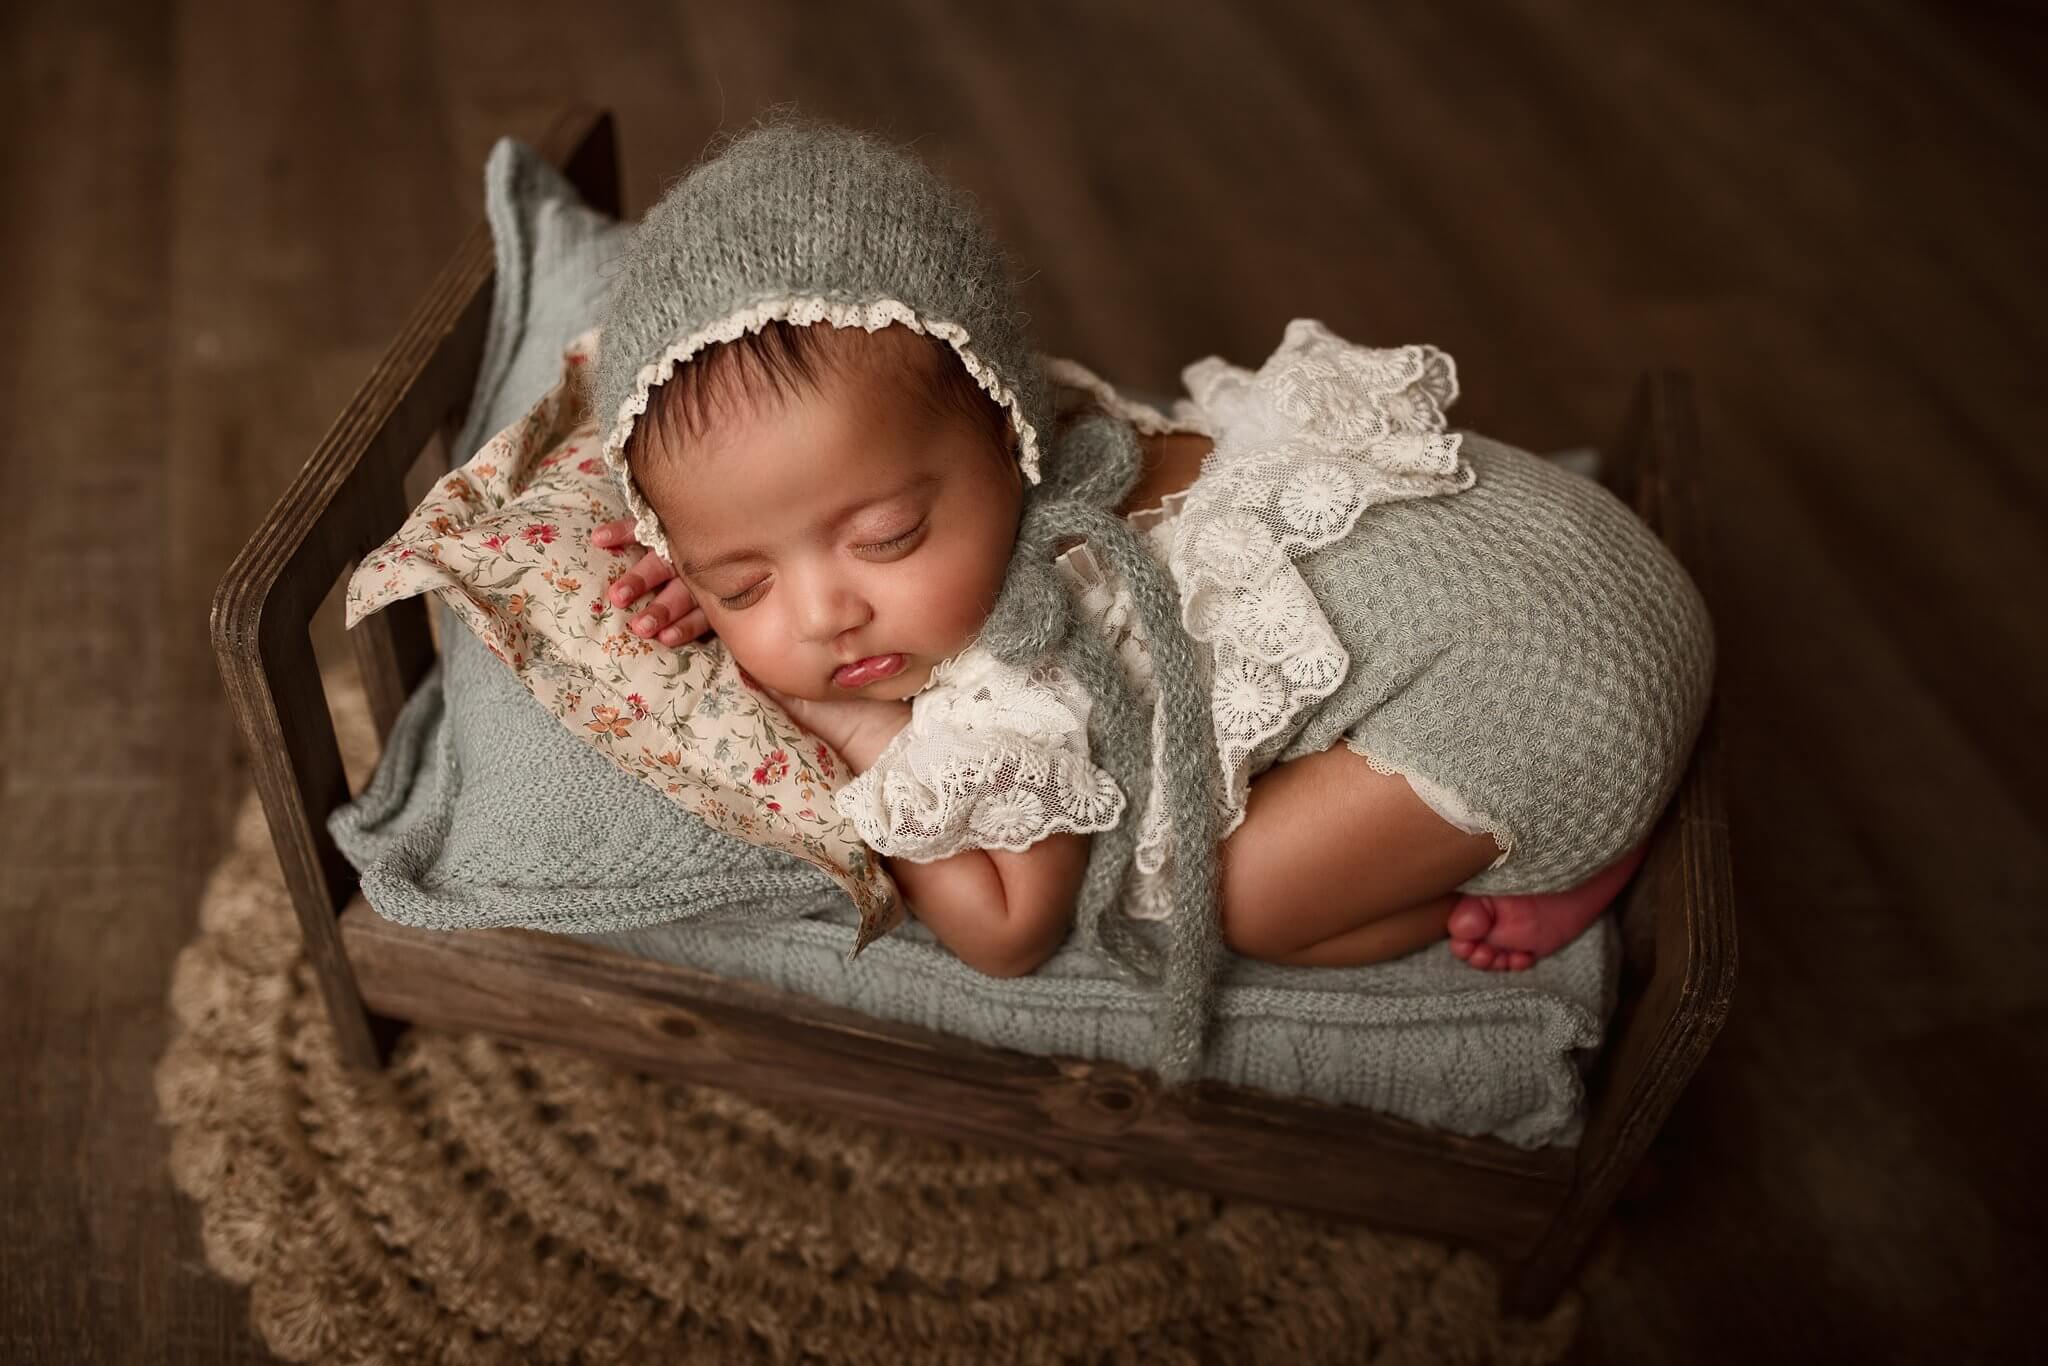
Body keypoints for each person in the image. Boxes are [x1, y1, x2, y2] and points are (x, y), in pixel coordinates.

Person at [581, 116, 1714, 989]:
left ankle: (1557, 872)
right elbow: (789, 493)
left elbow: (1007, 932)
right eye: (741, 581)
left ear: (1013, 430)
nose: (825, 613)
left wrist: (858, 726)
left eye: (887, 538)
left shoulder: (1021, 667)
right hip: (1577, 547)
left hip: (1559, 695)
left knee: (1241, 903)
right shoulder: (1038, 428)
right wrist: (741, 558)